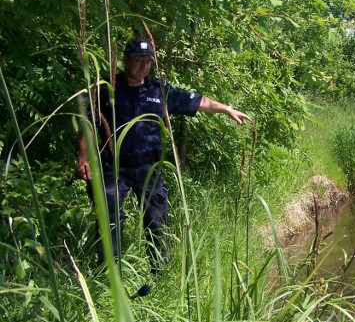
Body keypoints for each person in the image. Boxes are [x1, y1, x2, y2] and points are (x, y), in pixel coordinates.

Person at [77, 38, 251, 275]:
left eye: (148, 62)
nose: (144, 67)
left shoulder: (159, 91)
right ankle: (108, 274)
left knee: (157, 221)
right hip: (114, 167)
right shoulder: (108, 89)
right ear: (126, 59)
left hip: (148, 168)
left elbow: (197, 101)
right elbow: (88, 122)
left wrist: (227, 109)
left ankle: (158, 273)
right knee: (109, 219)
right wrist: (84, 157)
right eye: (139, 61)